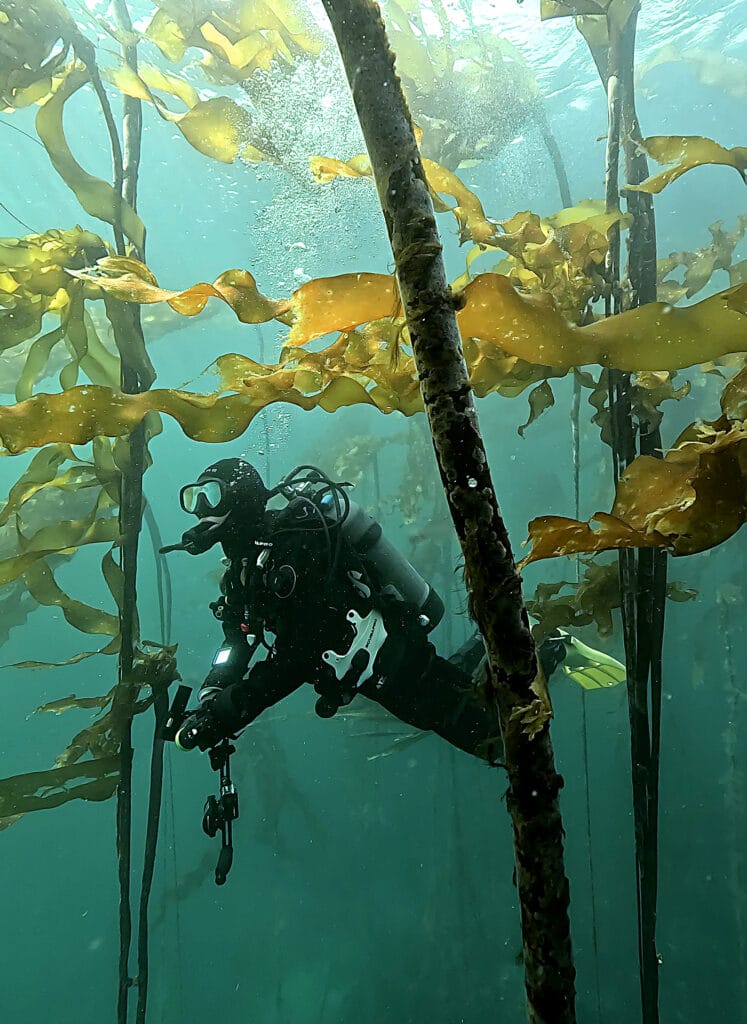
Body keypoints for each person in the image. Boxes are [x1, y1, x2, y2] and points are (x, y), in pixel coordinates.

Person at [161, 459, 603, 764]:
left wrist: (222, 719)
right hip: (372, 669)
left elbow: (293, 660)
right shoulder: (242, 573)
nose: (200, 509)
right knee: (449, 686)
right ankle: (493, 639)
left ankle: (557, 648)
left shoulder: (290, 553)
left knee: (496, 741)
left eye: (211, 495)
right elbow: (237, 640)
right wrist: (213, 695)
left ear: (239, 500)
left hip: (389, 655)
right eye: (194, 497)